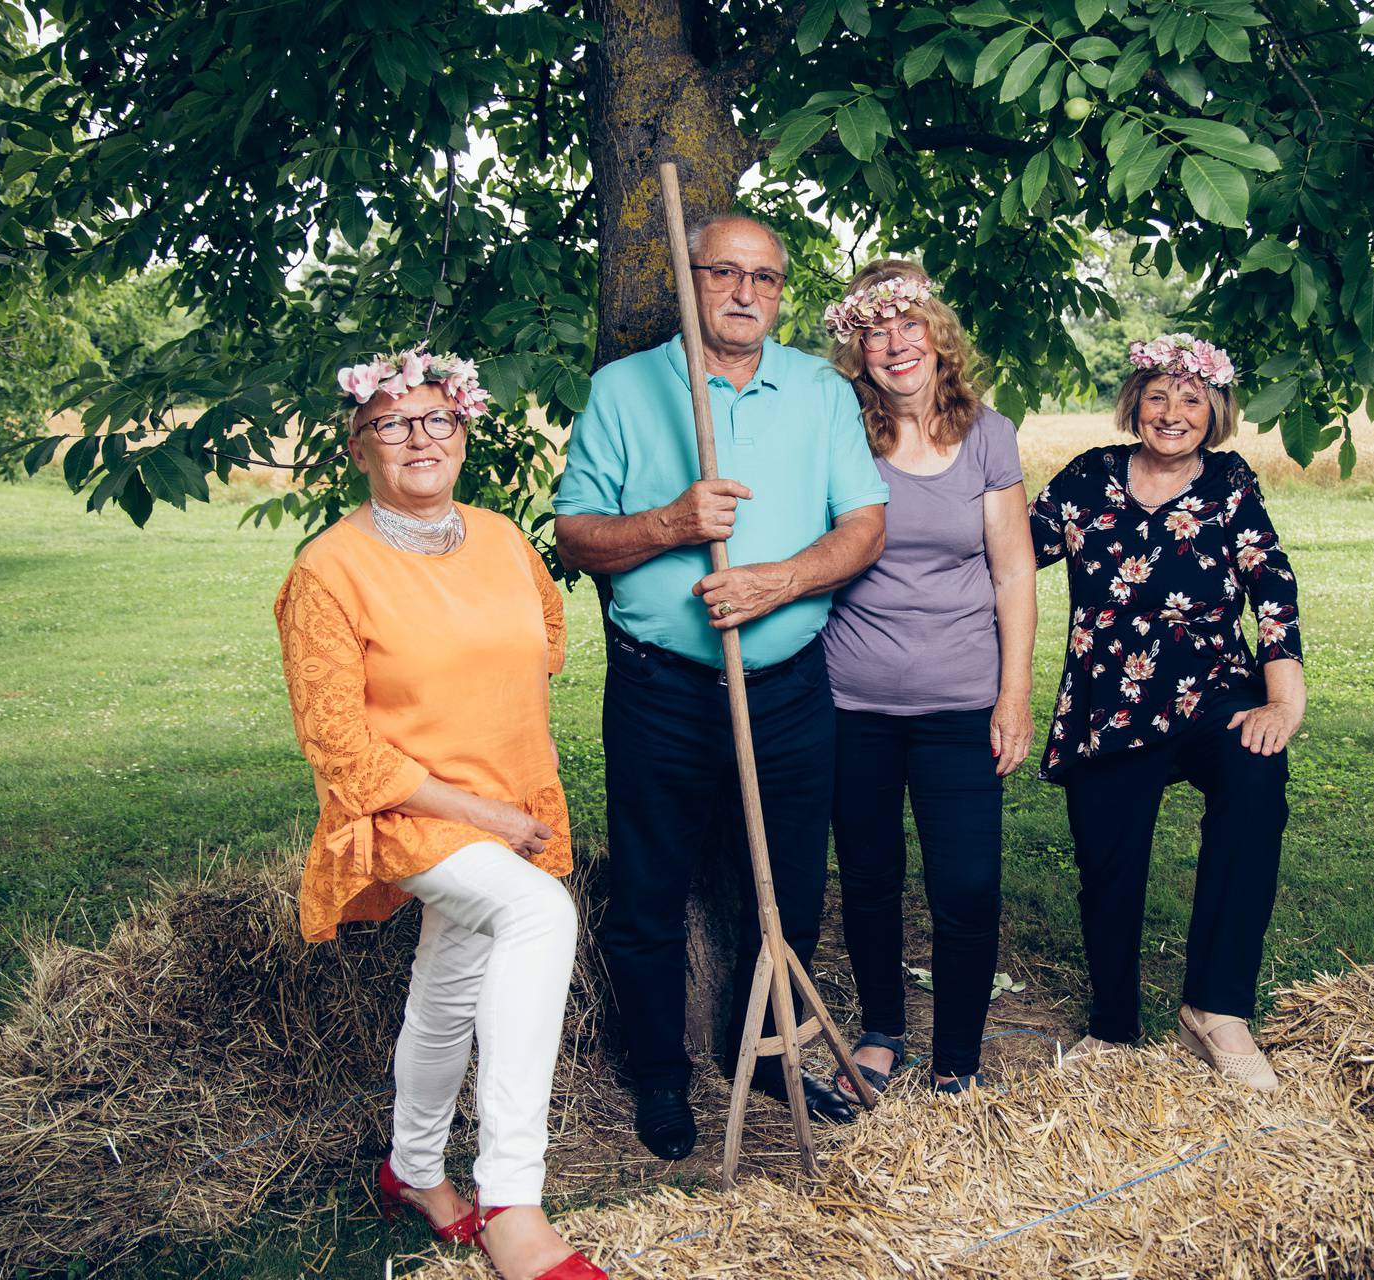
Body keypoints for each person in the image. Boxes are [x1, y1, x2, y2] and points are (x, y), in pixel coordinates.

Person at [554, 214, 889, 1158]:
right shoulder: (625, 390)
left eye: (766, 279)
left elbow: (864, 524)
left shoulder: (819, 390)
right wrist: (669, 523)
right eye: (725, 273)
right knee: (650, 890)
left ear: (783, 293)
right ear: (689, 279)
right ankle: (660, 1077)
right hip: (661, 686)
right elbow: (575, 533)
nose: (746, 293)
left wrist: (776, 580)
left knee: (786, 883)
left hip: (786, 685)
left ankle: (772, 1051)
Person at [274, 346, 604, 1280]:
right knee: (538, 912)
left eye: (438, 419)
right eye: (393, 422)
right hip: (410, 815)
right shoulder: (329, 571)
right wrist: (483, 811)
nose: (420, 438)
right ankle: (512, 1198)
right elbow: (340, 748)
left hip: (508, 797)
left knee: (452, 974)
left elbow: (546, 635)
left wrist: (497, 751)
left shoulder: (502, 536)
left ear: (463, 430)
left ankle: (414, 1170)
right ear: (358, 445)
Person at [1029, 334, 1306, 1092]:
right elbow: (1010, 551)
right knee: (1108, 863)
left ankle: (1217, 1010)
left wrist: (1283, 699)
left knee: (1255, 781)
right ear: (1135, 406)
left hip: (1214, 690)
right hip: (1109, 700)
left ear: (1214, 409)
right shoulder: (1088, 478)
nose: (1173, 412)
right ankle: (1113, 1027)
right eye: (1158, 396)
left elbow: (1271, 585)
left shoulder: (1228, 481)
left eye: (1191, 399)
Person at [818, 262, 1036, 1097]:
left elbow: (1013, 571)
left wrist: (1013, 696)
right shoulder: (842, 430)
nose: (896, 343)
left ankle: (958, 1061)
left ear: (937, 335)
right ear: (858, 347)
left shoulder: (988, 433)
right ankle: (882, 1032)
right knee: (869, 876)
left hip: (960, 701)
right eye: (876, 329)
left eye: (910, 324)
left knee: (968, 884)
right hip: (850, 699)